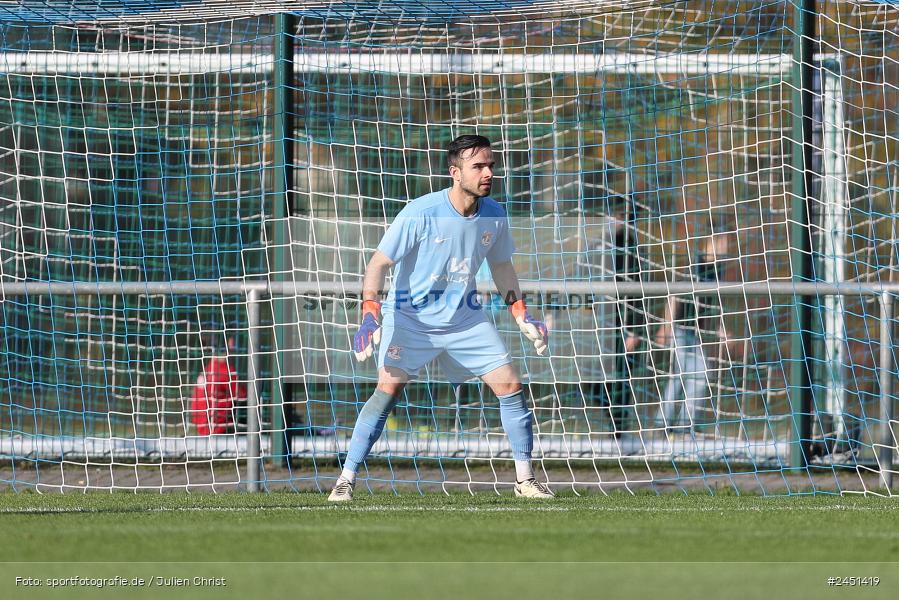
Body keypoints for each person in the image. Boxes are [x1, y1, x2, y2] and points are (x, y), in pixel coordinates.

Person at [329, 134, 553, 501]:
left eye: (491, 165)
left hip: (465, 318)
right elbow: (378, 263)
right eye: (478, 166)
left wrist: (520, 311)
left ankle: (525, 479)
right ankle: (346, 479)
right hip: (409, 318)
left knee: (510, 383)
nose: (488, 173)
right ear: (455, 172)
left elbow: (501, 266)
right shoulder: (421, 212)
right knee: (387, 391)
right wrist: (370, 315)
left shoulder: (494, 214)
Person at [577, 195, 647, 437]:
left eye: (624, 217)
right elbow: (581, 279)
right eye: (615, 215)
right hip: (597, 324)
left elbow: (636, 295)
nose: (618, 220)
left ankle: (619, 431)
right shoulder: (596, 246)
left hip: (620, 325)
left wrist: (634, 331)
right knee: (590, 376)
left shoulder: (631, 249)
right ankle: (612, 419)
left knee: (620, 380)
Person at [654, 234, 728, 431]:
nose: (725, 248)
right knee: (696, 373)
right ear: (709, 242)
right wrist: (665, 326)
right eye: (721, 243)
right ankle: (676, 424)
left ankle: (671, 424)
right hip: (680, 329)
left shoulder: (717, 270)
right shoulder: (695, 266)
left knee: (685, 375)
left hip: (694, 332)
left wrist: (719, 329)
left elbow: (714, 304)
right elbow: (675, 295)